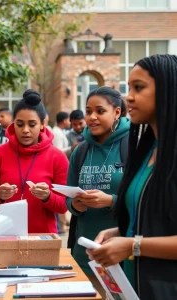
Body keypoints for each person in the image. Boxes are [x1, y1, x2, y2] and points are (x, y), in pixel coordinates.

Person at [87, 55, 177, 299]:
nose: (129, 97)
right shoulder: (148, 149)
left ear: (168, 90)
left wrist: (132, 245)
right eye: (129, 88)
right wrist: (121, 232)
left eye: (139, 87)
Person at [66, 86, 129, 298]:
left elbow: (145, 201)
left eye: (100, 111)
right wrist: (75, 204)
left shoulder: (133, 146)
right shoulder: (80, 150)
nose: (92, 117)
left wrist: (110, 200)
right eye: (88, 111)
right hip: (85, 255)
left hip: (122, 255)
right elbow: (69, 201)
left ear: (117, 112)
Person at [0, 89, 69, 233]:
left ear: (42, 124)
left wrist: (47, 196)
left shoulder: (57, 157)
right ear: (13, 123)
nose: (25, 130)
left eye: (32, 124)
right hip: (5, 235)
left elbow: (64, 206)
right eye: (20, 124)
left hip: (43, 238)